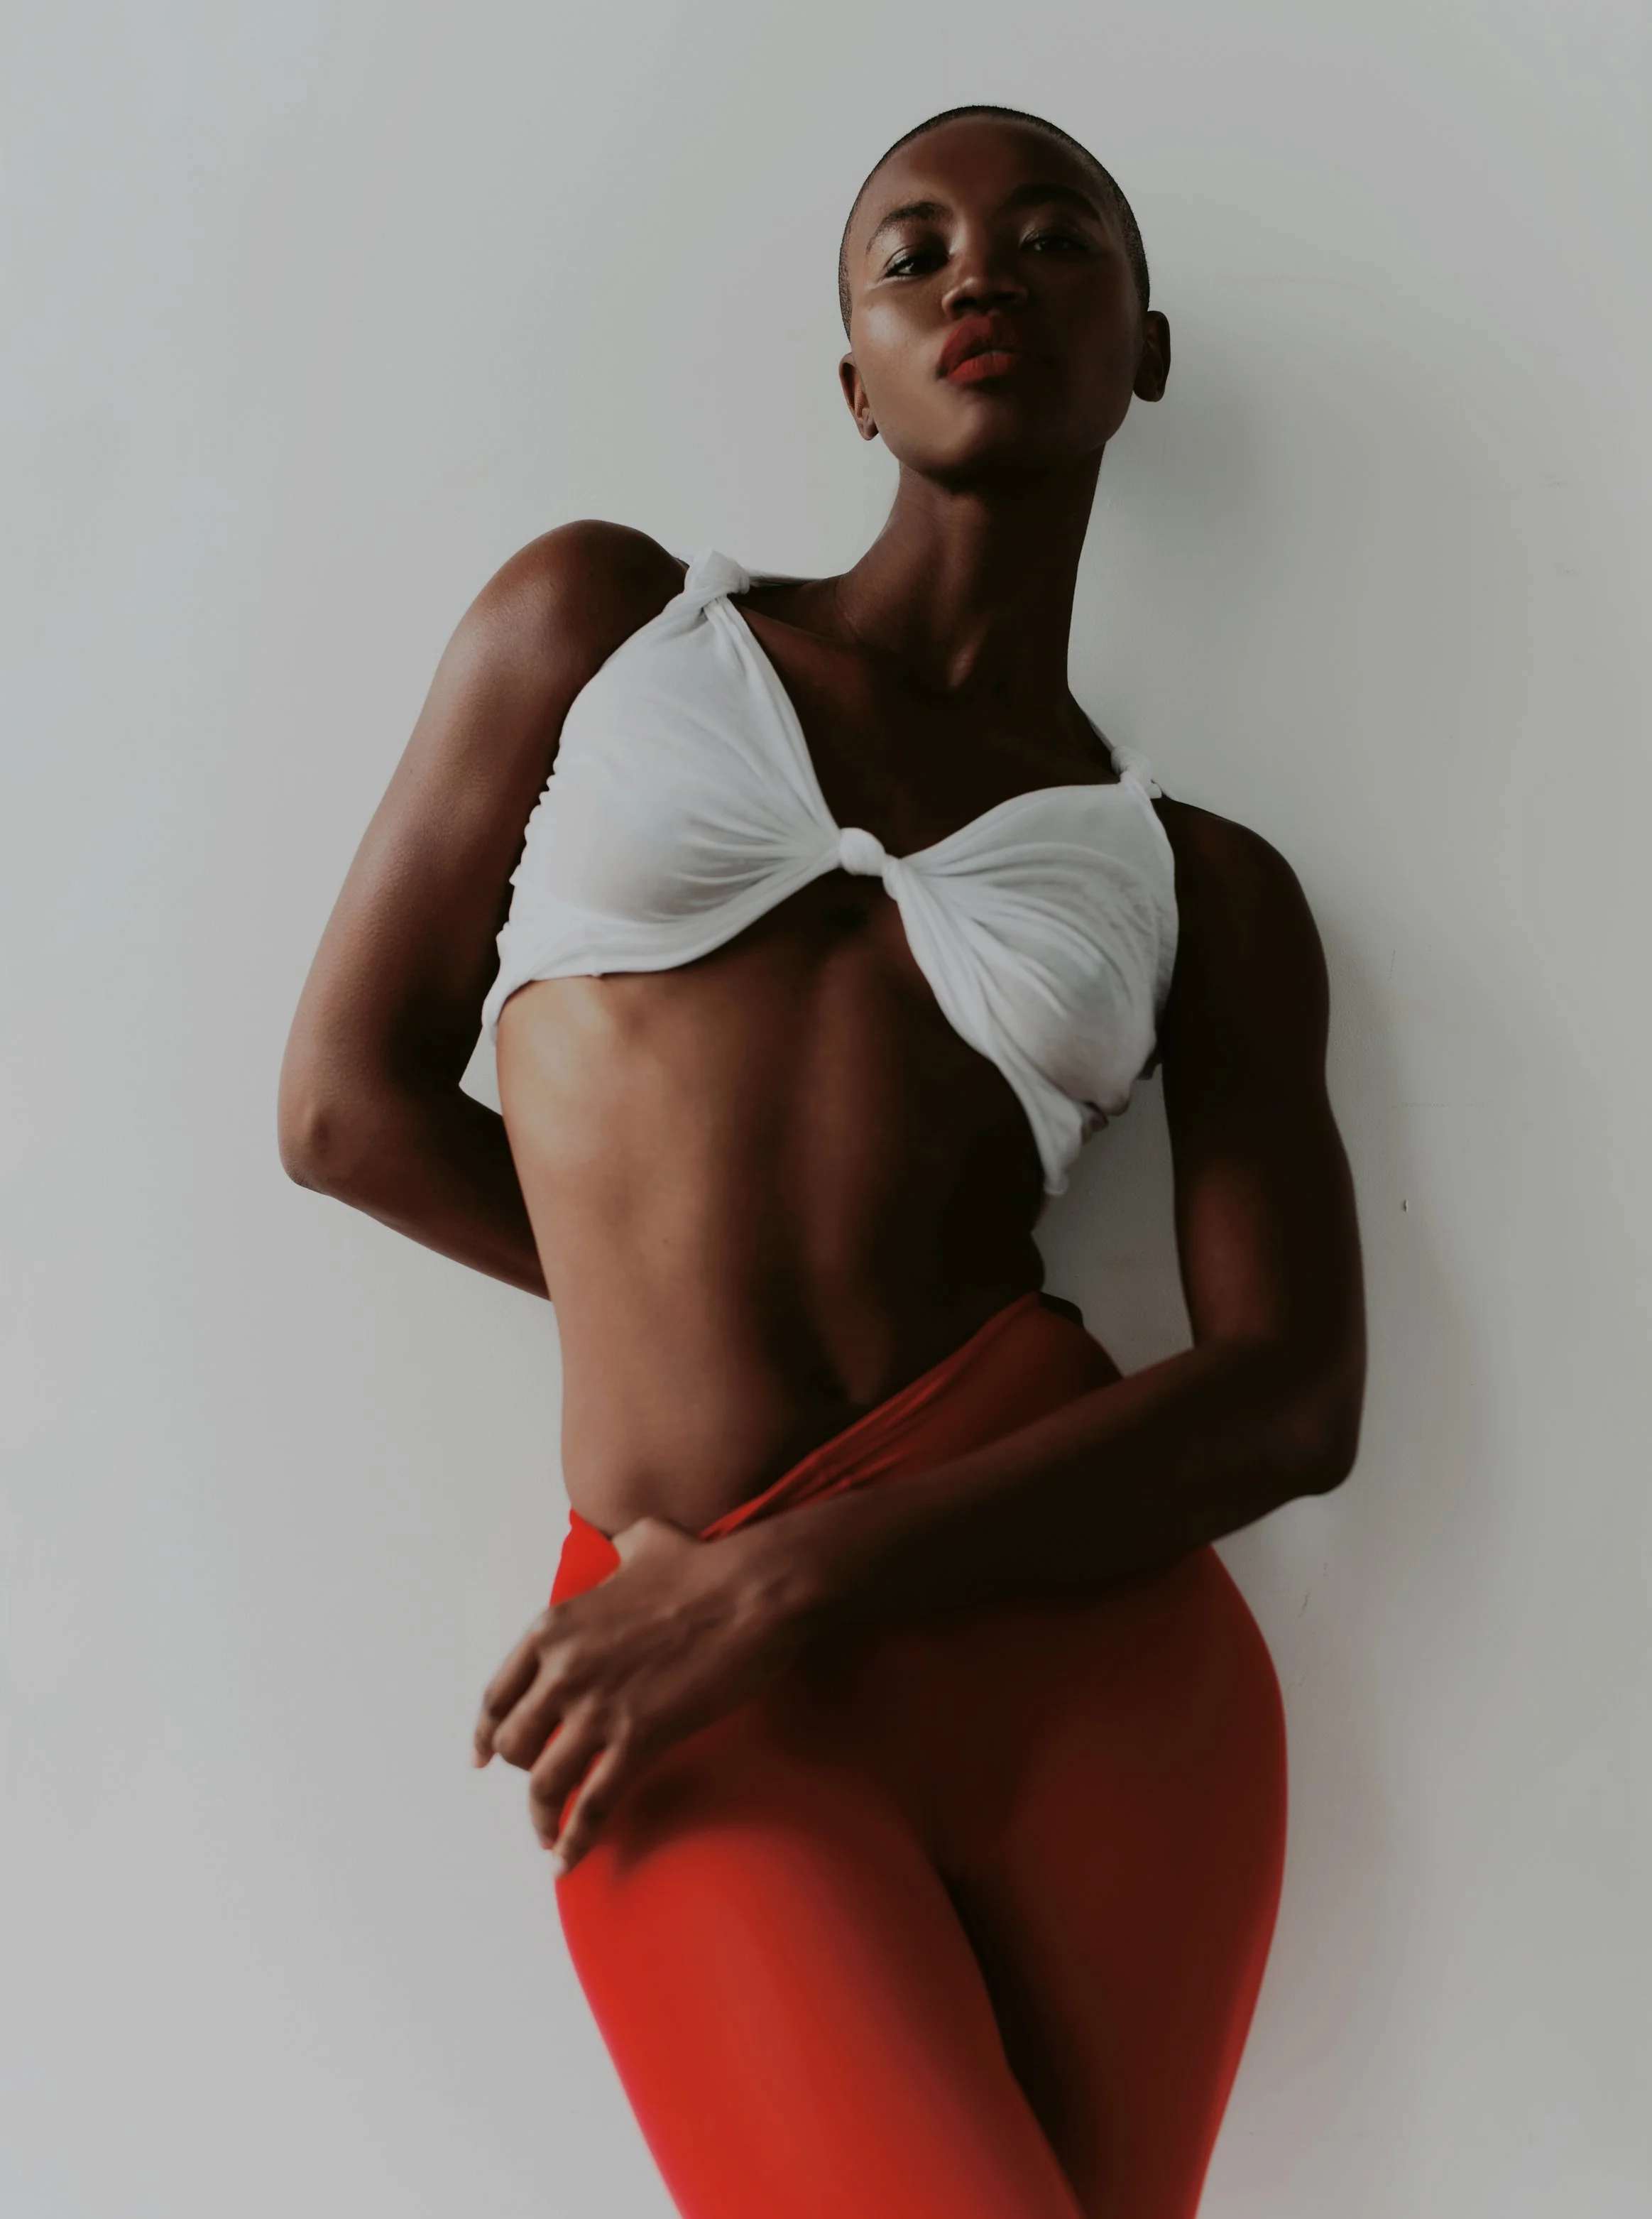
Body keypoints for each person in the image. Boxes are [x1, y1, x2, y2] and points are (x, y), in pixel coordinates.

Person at [279, 102, 1366, 2219]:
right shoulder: (607, 626)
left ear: (1142, 350)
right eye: (913, 250)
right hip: (682, 1666)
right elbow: (346, 1104)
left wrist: (792, 1572)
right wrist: (681, 1350)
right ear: (851, 372)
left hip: (1082, 1671)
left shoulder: (1198, 878)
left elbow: (1293, 1395)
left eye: (1055, 240)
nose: (982, 276)